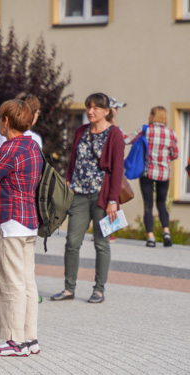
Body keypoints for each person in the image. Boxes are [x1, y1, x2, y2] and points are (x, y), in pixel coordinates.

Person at [0, 99, 43, 356]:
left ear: (6, 121)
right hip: (30, 222)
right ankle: (29, 338)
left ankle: (13, 341)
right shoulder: (33, 146)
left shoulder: (8, 149)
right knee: (27, 282)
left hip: (10, 221)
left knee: (10, 283)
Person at [51, 93, 123, 304]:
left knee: (101, 244)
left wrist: (113, 201)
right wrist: (68, 182)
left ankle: (99, 290)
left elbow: (117, 170)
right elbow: (73, 160)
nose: (91, 111)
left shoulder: (115, 135)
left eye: (96, 108)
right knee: (72, 242)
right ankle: (68, 288)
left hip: (102, 197)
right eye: (88, 107)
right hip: (79, 195)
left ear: (106, 111)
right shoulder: (80, 131)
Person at [123, 106, 179, 247]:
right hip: (164, 174)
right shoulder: (171, 134)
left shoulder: (145, 130)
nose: (148, 117)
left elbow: (127, 140)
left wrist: (116, 129)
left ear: (154, 116)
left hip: (147, 172)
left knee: (148, 205)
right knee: (161, 203)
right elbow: (175, 154)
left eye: (150, 114)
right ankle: (166, 232)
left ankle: (151, 238)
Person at [0, 92, 43, 172]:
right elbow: (37, 169)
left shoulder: (3, 134)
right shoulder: (35, 139)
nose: (37, 115)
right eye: (37, 112)